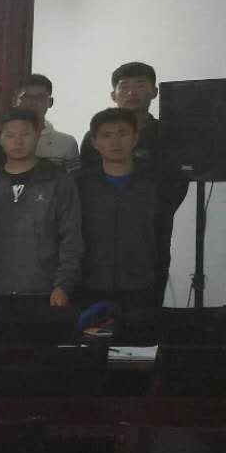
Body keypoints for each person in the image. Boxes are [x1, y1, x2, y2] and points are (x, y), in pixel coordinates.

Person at [78, 62, 187, 304]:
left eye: (140, 85)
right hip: (99, 233)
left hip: (151, 229)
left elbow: (178, 181)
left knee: (146, 303)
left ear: (154, 92)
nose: (131, 92)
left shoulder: (167, 133)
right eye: (124, 86)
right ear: (113, 95)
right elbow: (87, 182)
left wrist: (152, 209)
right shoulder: (94, 136)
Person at [0, 109, 83, 305]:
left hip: (46, 290)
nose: (18, 141)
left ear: (38, 135)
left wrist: (64, 284)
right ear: (0, 138)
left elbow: (72, 237)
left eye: (25, 134)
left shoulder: (58, 181)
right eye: (10, 135)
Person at [75, 108, 159, 313]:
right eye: (106, 135)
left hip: (141, 283)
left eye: (123, 133)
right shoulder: (78, 184)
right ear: (94, 142)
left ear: (135, 138)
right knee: (93, 333)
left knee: (141, 333)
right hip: (89, 283)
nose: (115, 142)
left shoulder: (154, 183)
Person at [16, 73, 79, 170]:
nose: (33, 102)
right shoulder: (5, 138)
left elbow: (73, 177)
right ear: (18, 101)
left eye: (40, 97)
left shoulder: (67, 143)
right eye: (28, 97)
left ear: (50, 102)